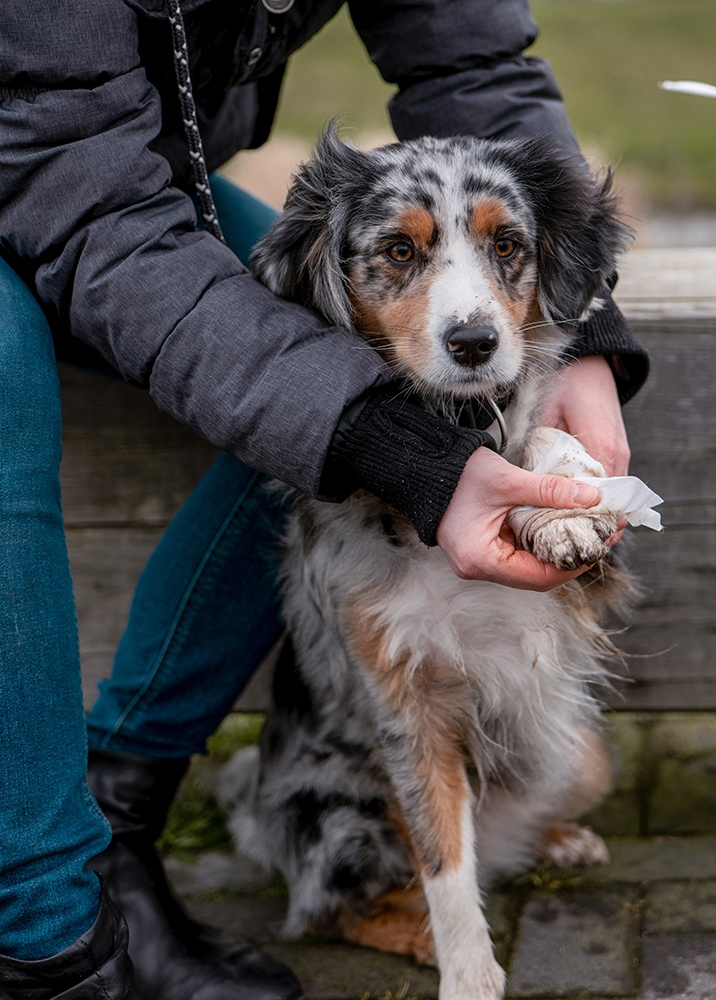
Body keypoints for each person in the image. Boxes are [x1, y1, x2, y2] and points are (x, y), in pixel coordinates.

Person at [0, 1, 649, 997]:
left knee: (300, 368)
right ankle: (48, 937)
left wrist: (583, 333)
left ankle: (118, 809)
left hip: (104, 162)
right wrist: (403, 453)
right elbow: (83, 203)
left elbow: (473, 57)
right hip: (66, 164)